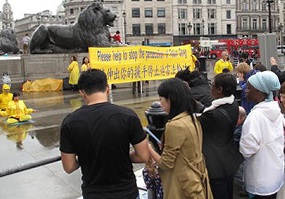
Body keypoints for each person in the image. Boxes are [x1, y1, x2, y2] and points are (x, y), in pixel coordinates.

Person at [60, 69, 149, 199]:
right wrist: (121, 155)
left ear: (82, 93)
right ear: (107, 88)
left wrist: (85, 158)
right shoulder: (128, 116)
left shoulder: (70, 122)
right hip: (127, 192)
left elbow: (69, 166)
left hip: (93, 194)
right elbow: (143, 156)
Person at [148, 78, 213, 199]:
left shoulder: (174, 125)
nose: (160, 103)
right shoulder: (191, 118)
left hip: (182, 185)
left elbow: (166, 164)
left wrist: (149, 149)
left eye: (161, 99)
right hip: (196, 179)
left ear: (170, 100)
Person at [240, 71, 284, 199]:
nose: (245, 91)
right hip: (275, 175)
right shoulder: (276, 111)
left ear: (260, 91)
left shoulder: (254, 117)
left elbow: (247, 150)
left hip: (259, 180)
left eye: (249, 88)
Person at [198, 73, 241, 199]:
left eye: (212, 85)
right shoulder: (233, 105)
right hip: (229, 161)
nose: (210, 88)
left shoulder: (212, 115)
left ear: (219, 89)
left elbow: (196, 123)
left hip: (215, 167)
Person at [233, 106, 248, 197]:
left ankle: (246, 188)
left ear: (239, 118)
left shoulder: (240, 130)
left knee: (239, 173)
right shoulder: (247, 121)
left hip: (242, 155)